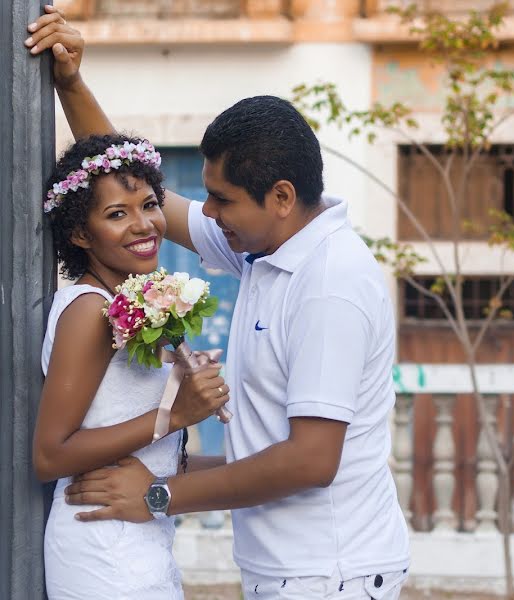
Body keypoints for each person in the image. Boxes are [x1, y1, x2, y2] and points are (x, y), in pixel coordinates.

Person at [27, 7, 411, 600]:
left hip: (329, 574)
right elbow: (123, 189)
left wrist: (157, 494)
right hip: (283, 569)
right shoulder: (260, 249)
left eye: (221, 199)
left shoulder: (330, 283)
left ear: (280, 198)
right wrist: (70, 84)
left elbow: (311, 461)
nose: (204, 212)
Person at [35, 132, 231, 599]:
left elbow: (150, 459)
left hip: (139, 540)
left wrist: (261, 469)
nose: (144, 225)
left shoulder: (129, 305)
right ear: (81, 234)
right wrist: (176, 414)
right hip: (102, 551)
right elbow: (50, 455)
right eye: (117, 214)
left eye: (149, 204)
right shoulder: (89, 310)